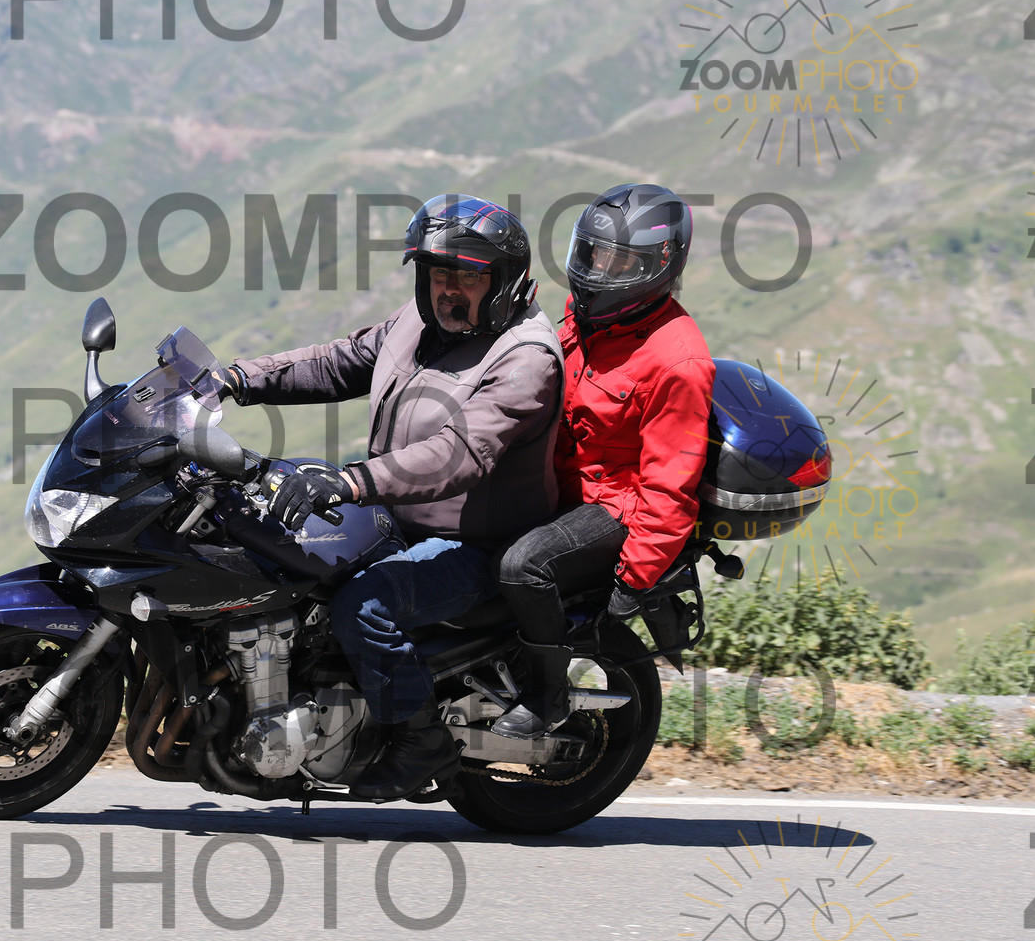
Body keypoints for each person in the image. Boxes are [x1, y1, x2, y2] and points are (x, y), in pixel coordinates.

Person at [219, 195, 562, 799]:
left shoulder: (525, 359)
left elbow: (459, 453)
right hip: (394, 518)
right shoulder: (422, 323)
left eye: (466, 276)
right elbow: (339, 362)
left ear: (505, 280)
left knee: (364, 606)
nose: (447, 289)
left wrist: (351, 482)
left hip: (473, 544)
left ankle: (418, 739)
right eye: (436, 273)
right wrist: (239, 378)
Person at [492, 184, 714, 739]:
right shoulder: (588, 321)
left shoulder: (678, 361)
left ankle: (549, 696)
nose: (600, 270)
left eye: (621, 261)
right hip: (561, 482)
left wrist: (634, 578)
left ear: (660, 265)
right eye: (593, 254)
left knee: (524, 566)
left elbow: (670, 485)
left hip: (616, 505)